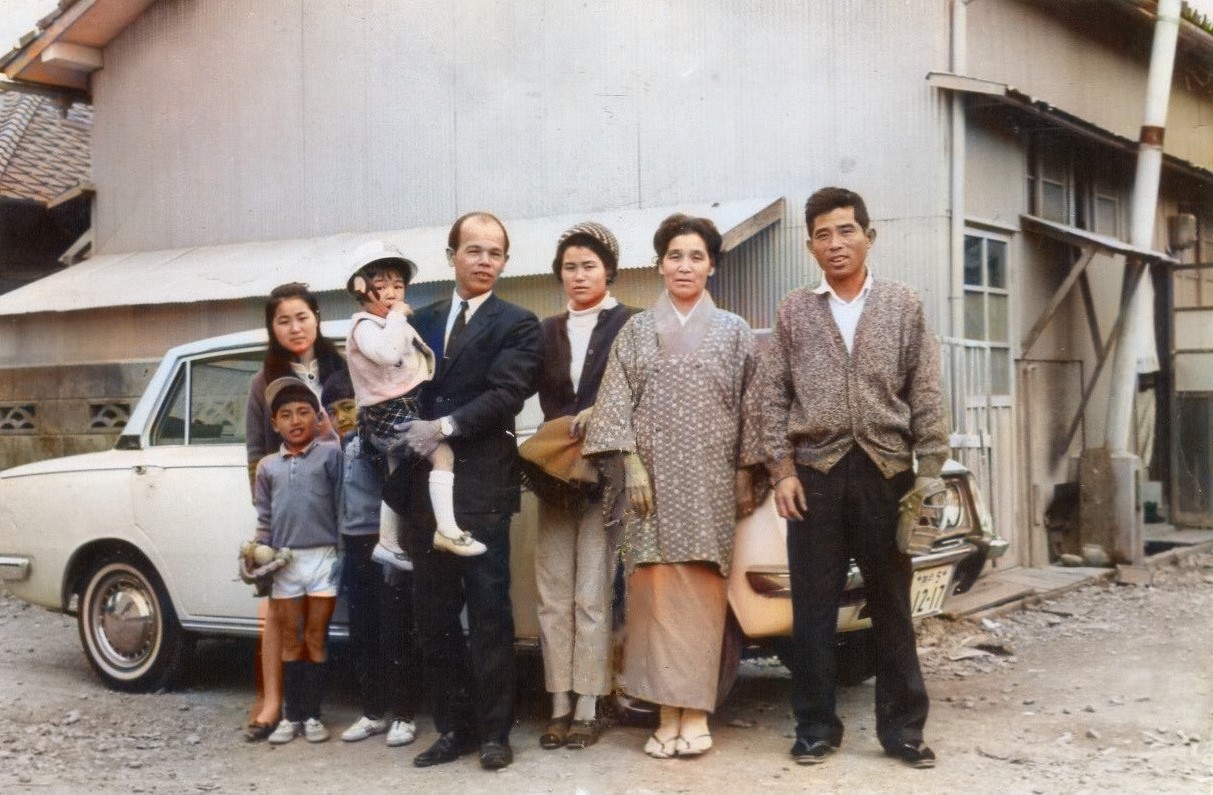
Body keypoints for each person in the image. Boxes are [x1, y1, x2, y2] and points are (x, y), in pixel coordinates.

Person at [761, 187, 949, 769]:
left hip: (886, 473)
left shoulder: (902, 303)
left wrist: (929, 471)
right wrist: (781, 471)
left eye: (846, 230)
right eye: (823, 234)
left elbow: (924, 388)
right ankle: (816, 727)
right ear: (810, 246)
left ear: (869, 235)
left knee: (891, 604)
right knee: (813, 608)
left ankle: (903, 730)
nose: (835, 243)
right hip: (814, 475)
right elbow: (771, 395)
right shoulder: (795, 309)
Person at [582, 213, 764, 759]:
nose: (685, 266)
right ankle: (666, 716)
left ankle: (697, 714)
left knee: (703, 599)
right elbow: (614, 407)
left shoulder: (734, 330)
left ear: (711, 266)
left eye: (696, 257)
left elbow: (753, 409)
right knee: (654, 602)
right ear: (660, 264)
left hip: (710, 486)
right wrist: (632, 468)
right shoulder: (636, 331)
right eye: (675, 256)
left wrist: (744, 472)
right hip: (649, 488)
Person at [390, 212, 541, 771]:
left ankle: (495, 733)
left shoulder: (518, 323)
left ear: (505, 262)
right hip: (423, 488)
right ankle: (452, 729)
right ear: (451, 254)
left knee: (489, 612)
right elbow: (394, 385)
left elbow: (507, 394)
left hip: (481, 487)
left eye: (495, 253)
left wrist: (444, 426)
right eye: (474, 250)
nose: (484, 261)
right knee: (433, 615)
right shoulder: (421, 320)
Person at [533, 222, 638, 751]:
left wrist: (603, 411)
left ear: (608, 270)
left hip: (606, 471)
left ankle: (589, 705)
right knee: (553, 593)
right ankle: (557, 702)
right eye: (570, 267)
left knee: (592, 593)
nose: (578, 276)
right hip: (555, 472)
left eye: (589, 266)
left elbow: (644, 388)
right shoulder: (546, 331)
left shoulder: (631, 323)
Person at [242, 282, 346, 742]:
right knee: (278, 612)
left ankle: (323, 708)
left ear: (317, 318)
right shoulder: (263, 381)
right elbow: (255, 451)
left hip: (337, 494)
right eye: (283, 321)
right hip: (287, 505)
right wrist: (266, 520)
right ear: (272, 328)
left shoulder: (342, 366)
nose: (295, 328)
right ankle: (272, 704)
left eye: (302, 317)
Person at [344, 239, 486, 565]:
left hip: (402, 405)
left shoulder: (386, 324)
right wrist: (397, 318)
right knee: (442, 453)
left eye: (398, 285)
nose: (393, 293)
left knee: (399, 476)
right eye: (382, 286)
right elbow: (388, 353)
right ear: (361, 288)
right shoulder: (365, 326)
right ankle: (447, 529)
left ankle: (387, 542)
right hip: (389, 410)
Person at [323, 370, 422, 749]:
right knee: (362, 630)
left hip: (385, 542)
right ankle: (373, 711)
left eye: (348, 407)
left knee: (394, 627)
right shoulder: (339, 447)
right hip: (354, 545)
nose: (342, 417)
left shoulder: (378, 439)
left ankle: (403, 714)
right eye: (333, 412)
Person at [252, 378, 344, 745]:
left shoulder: (331, 455)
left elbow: (341, 505)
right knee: (291, 639)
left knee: (316, 636)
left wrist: (341, 553)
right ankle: (292, 716)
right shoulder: (267, 467)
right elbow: (264, 519)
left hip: (323, 559)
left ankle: (314, 715)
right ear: (275, 423)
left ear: (317, 418)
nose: (295, 421)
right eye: (286, 415)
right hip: (285, 562)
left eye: (304, 412)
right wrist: (259, 554)